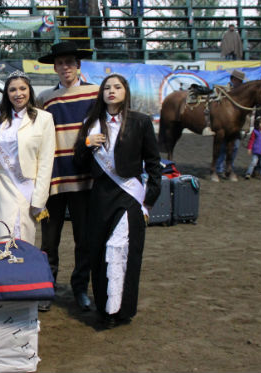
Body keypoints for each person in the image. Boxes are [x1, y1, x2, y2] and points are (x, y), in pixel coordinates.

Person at [73, 73, 162, 328]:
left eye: (117, 87)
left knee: (123, 250)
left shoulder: (141, 122)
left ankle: (122, 310)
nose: (112, 91)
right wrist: (87, 144)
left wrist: (148, 202)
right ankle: (104, 308)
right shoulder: (91, 123)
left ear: (125, 92)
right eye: (107, 87)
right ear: (101, 93)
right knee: (100, 252)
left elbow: (155, 165)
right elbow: (78, 161)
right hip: (100, 196)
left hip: (129, 197)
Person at [35, 41, 99, 312]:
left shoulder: (95, 94)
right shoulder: (45, 99)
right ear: (55, 67)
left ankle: (80, 288)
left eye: (70, 62)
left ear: (78, 65)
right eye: (60, 63)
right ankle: (47, 288)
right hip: (54, 181)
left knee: (84, 239)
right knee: (49, 240)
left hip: (84, 180)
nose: (65, 68)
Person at [0, 71, 55, 244]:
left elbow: (46, 162)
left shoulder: (44, 119)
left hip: (26, 188)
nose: (18, 94)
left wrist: (39, 198)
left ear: (30, 90)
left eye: (23, 88)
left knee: (22, 238)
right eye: (12, 90)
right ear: (6, 94)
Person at [215, 69, 244, 176]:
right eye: (238, 80)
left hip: (237, 126)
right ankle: (219, 168)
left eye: (241, 81)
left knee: (234, 147)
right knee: (223, 147)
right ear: (233, 80)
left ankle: (229, 167)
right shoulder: (225, 91)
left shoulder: (243, 93)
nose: (240, 83)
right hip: (225, 125)